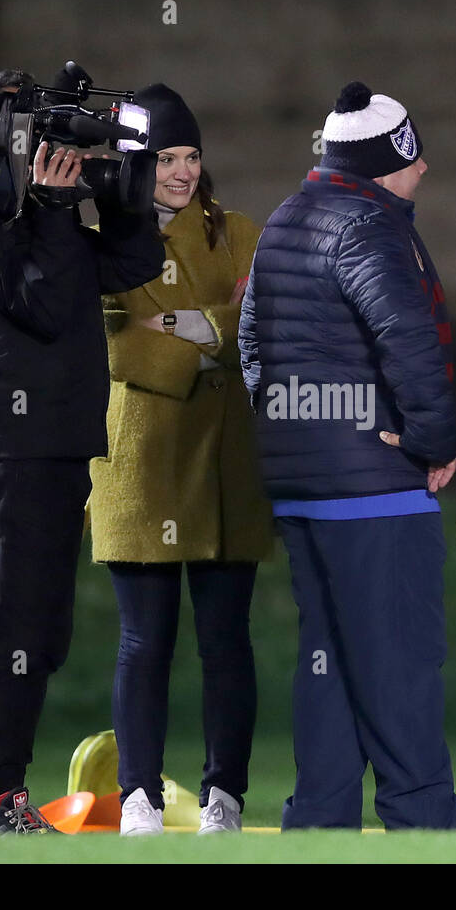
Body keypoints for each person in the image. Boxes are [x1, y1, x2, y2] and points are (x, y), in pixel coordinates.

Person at [0, 70, 165, 835]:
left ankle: (6, 793)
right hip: (12, 446)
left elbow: (131, 267)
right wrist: (57, 208)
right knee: (11, 626)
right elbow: (46, 304)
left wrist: (122, 198)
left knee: (43, 631)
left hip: (56, 444)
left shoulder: (34, 222)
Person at [240, 81, 456, 832]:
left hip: (302, 483)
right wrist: (431, 442)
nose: (426, 169)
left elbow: (250, 346)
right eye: (414, 157)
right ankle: (425, 815)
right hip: (373, 482)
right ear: (385, 162)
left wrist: (291, 431)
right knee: (399, 654)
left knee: (328, 657)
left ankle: (318, 820)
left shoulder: (285, 219)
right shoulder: (369, 226)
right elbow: (408, 341)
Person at [87, 83, 273, 836]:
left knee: (227, 640)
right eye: (167, 158)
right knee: (145, 640)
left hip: (226, 463)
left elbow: (264, 319)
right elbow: (117, 342)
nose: (183, 172)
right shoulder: (107, 239)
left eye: (192, 156)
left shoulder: (239, 233)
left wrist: (188, 324)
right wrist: (209, 342)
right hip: (142, 464)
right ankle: (139, 797)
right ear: (138, 162)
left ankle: (224, 797)